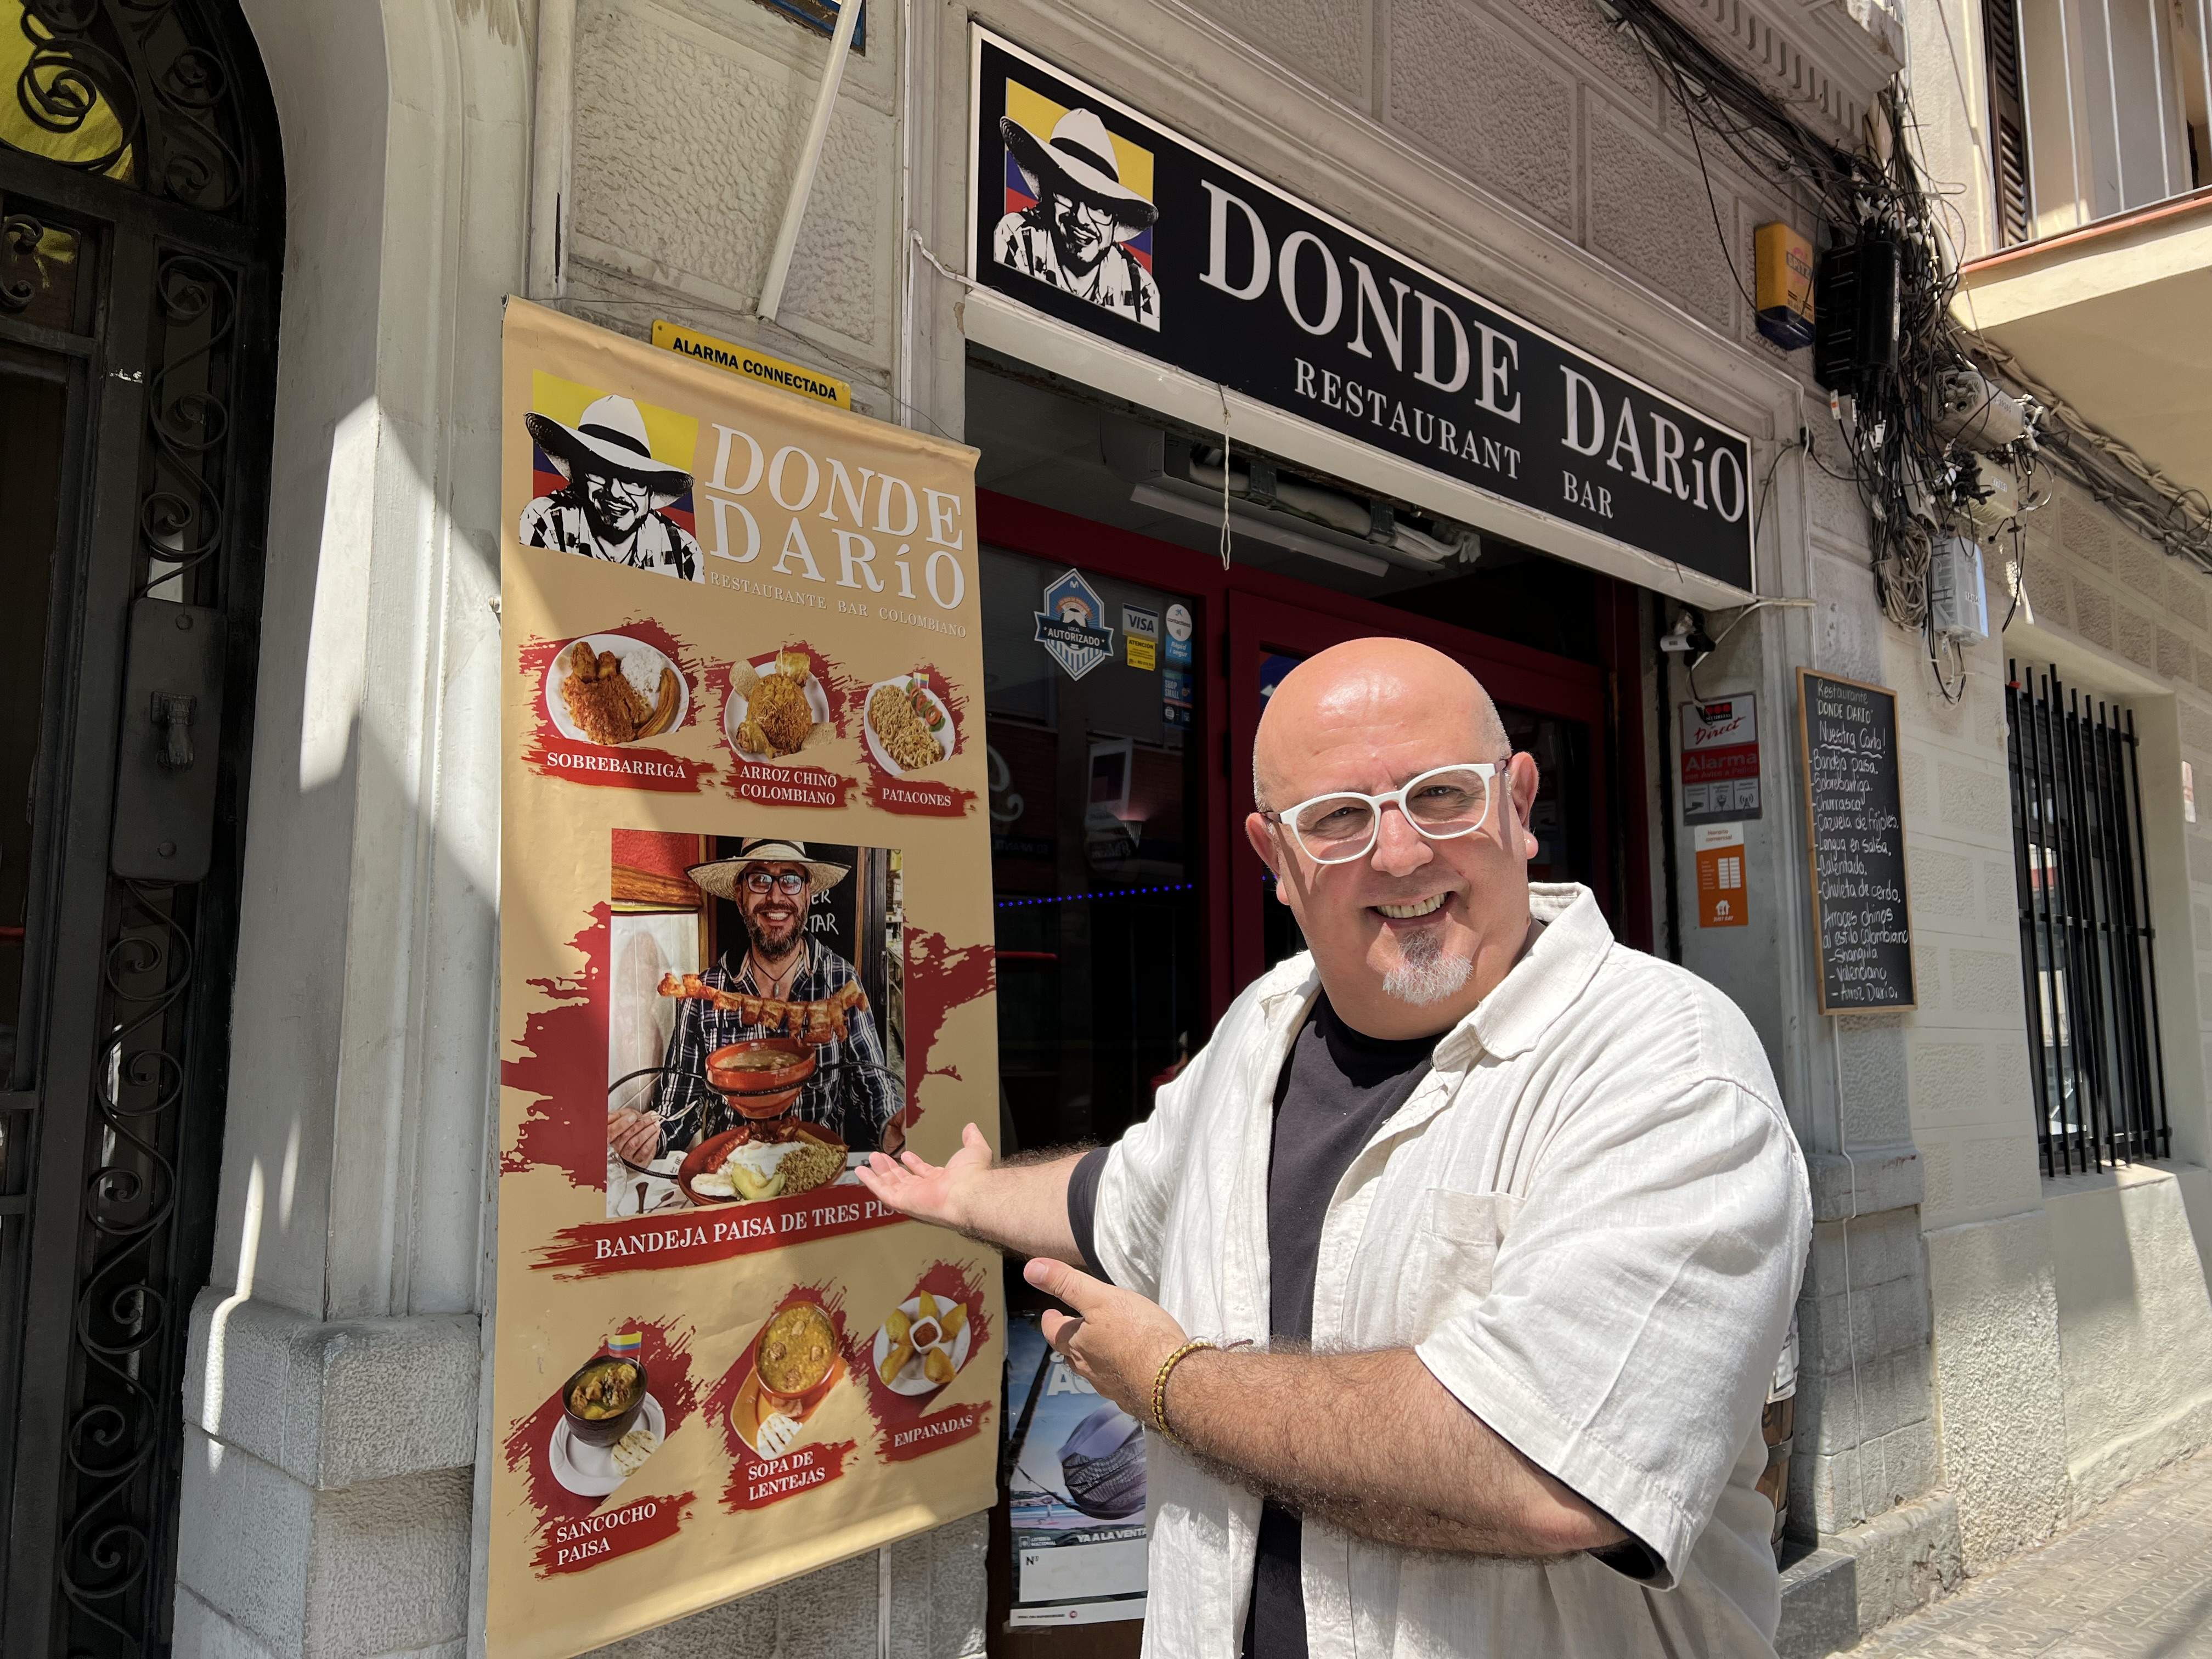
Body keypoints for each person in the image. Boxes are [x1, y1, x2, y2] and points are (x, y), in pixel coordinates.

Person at [859, 638, 1812, 1659]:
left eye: (1440, 795)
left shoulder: (1663, 1063)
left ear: (1518, 805)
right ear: (1275, 859)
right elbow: (1117, 1198)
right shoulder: (1259, 1029)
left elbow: (1544, 1468)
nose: (1400, 854)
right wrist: (969, 1194)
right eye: (1339, 818)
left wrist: (1171, 1383)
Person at [610, 838, 902, 1164]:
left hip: (818, 1169)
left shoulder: (841, 982)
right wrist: (652, 1133)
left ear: (808, 894)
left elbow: (872, 1082)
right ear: (740, 896)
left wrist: (892, 1124)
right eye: (759, 879)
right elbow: (680, 1101)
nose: (776, 897)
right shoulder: (708, 992)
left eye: (791, 879)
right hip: (731, 1175)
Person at [992, 106, 1161, 330]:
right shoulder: (1018, 238)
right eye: (1067, 194)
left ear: (1116, 222)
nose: (1082, 218)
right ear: (1047, 196)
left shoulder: (1140, 287)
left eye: (1100, 206)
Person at [520, 392, 705, 580]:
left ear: (651, 490)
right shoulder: (546, 521)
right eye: (600, 471)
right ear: (579, 474)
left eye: (633, 478)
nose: (616, 492)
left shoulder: (683, 551)